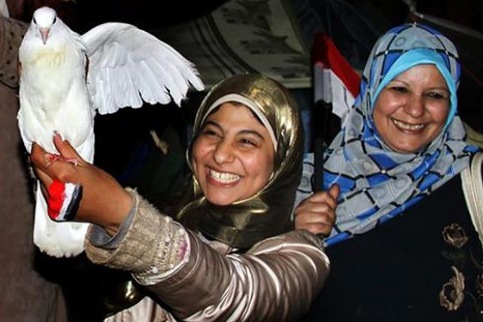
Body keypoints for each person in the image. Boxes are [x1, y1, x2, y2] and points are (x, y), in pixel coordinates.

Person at [30, 73, 336, 321]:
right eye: (212, 133)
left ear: (280, 162)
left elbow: (230, 296)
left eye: (247, 141)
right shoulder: (175, 206)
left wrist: (122, 216)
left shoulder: (302, 258)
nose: (220, 154)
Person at [295, 23, 483, 321]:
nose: (415, 109)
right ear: (372, 92)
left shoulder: (471, 177)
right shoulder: (305, 183)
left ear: (452, 103)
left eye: (434, 95)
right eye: (399, 89)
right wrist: (292, 239)